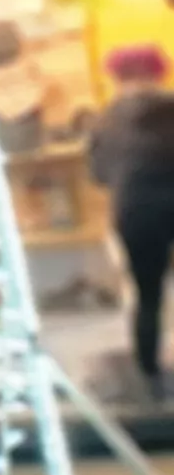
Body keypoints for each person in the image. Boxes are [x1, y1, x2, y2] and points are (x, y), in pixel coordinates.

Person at [90, 43, 174, 386]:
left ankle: (149, 371)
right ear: (160, 72)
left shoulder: (104, 120)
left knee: (147, 293)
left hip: (135, 209)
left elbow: (97, 174)